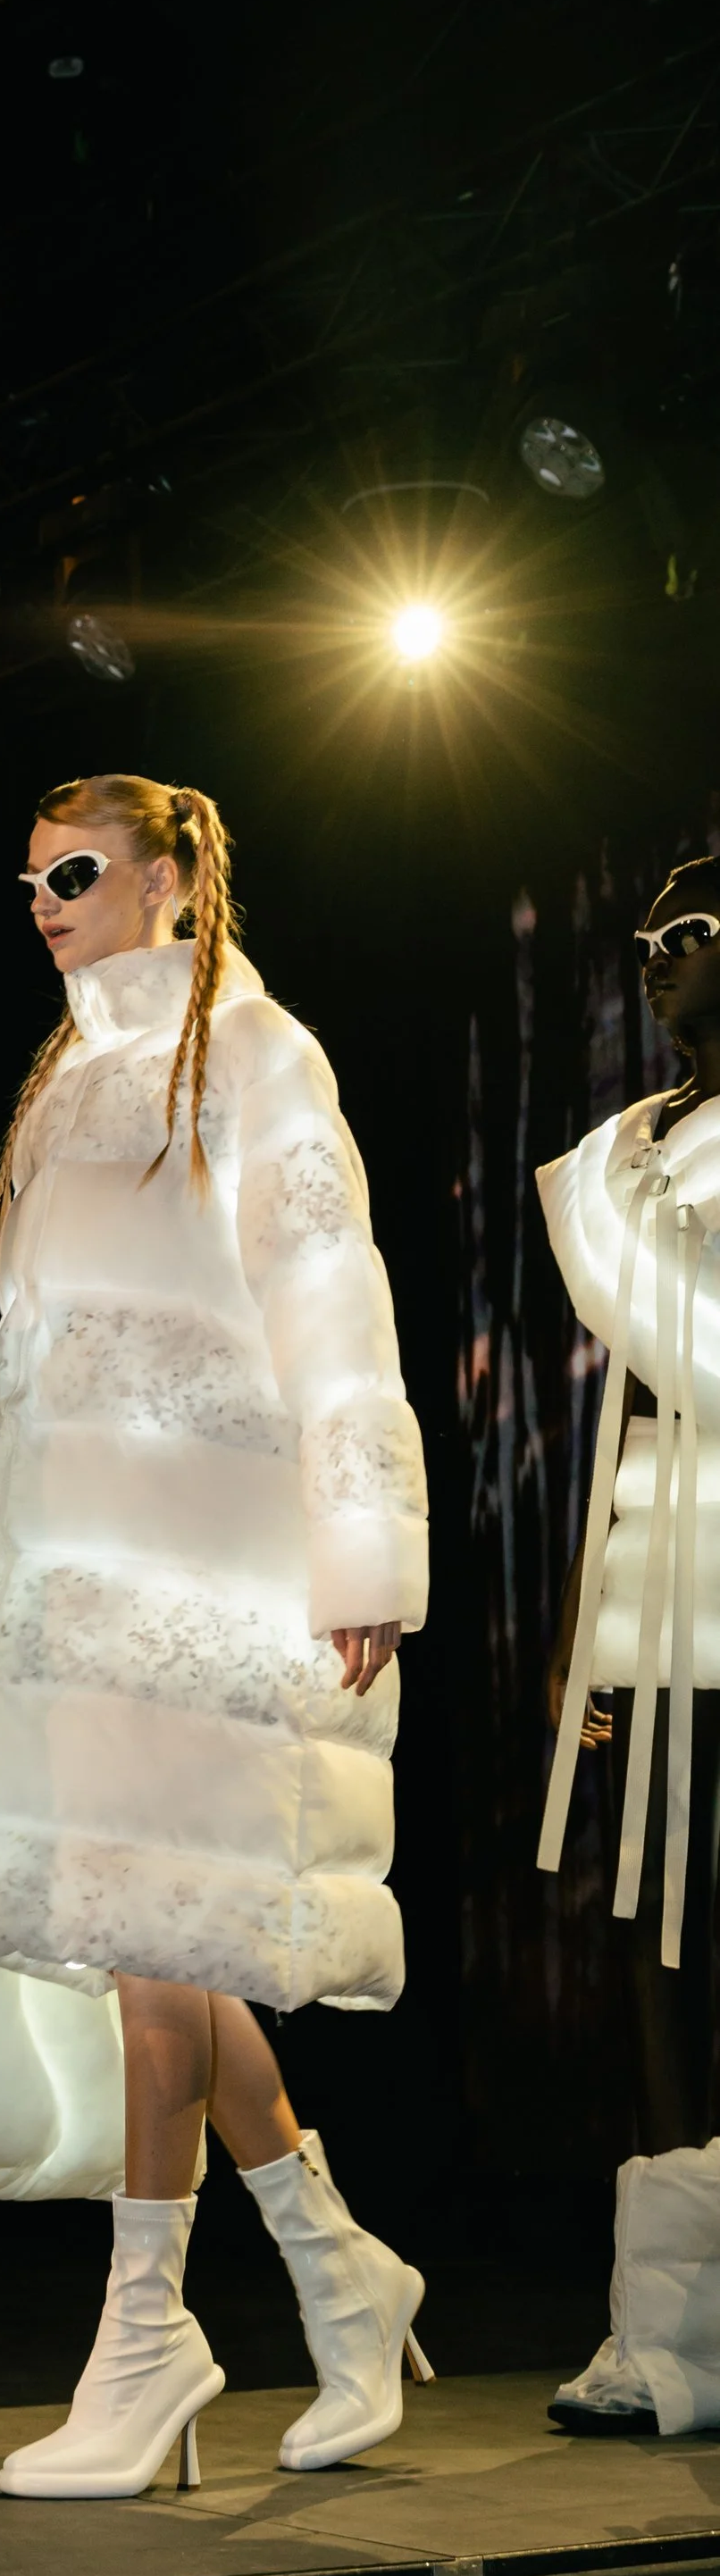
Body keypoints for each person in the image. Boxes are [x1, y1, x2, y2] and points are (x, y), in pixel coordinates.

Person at [0, 773, 431, 2499]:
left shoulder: (257, 1054)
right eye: (27, 877)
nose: (44, 900)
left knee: (161, 1960)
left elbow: (333, 1299)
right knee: (170, 1955)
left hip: (211, 1569)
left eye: (73, 871)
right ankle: (340, 2274)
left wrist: (364, 1551)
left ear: (169, 878)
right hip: (82, 1582)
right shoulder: (65, 1078)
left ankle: (146, 2339)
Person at [535, 857, 720, 2437]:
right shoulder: (627, 1155)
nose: (656, 959)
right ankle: (666, 2329)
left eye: (691, 935)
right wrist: (586, 1617)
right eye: (646, 940)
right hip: (656, 1578)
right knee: (652, 1924)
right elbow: (633, 1409)